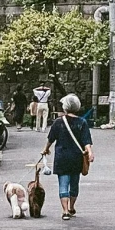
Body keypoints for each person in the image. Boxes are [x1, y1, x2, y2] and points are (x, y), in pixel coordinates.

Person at [44, 91, 92, 219]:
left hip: (62, 157)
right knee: (74, 183)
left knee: (63, 183)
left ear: (65, 107)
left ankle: (65, 211)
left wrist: (45, 149)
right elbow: (86, 141)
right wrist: (90, 153)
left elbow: (51, 139)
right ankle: (71, 207)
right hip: (77, 158)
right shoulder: (82, 122)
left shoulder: (58, 122)